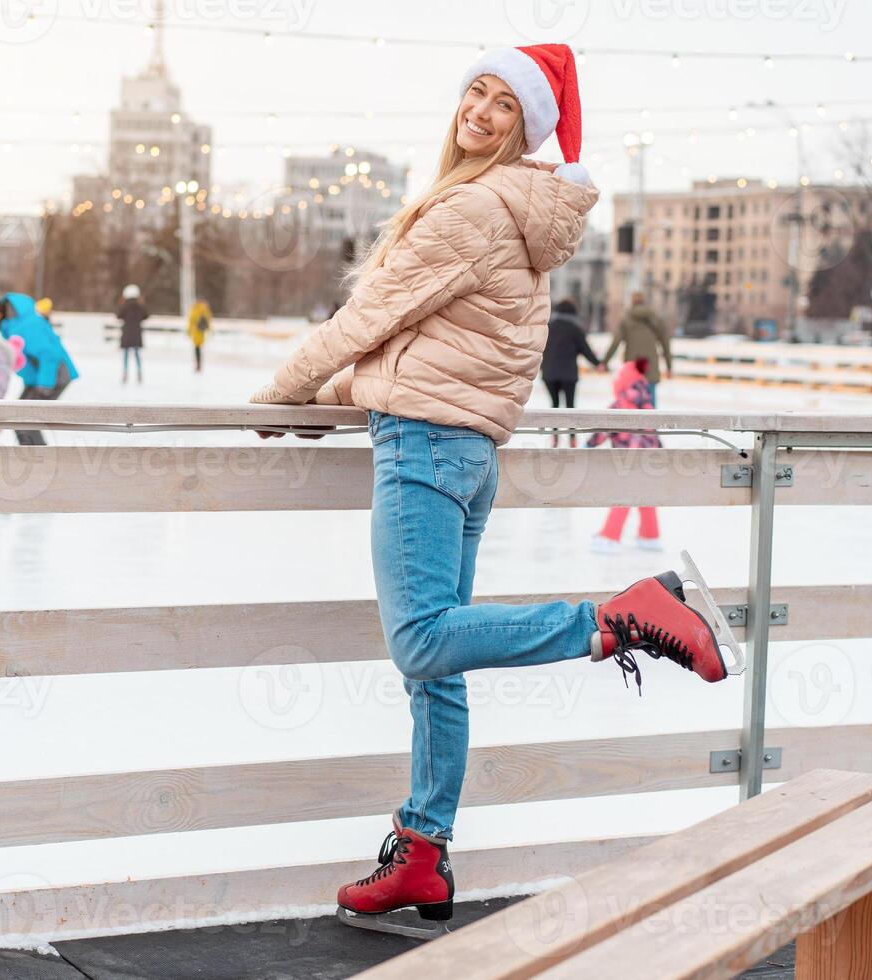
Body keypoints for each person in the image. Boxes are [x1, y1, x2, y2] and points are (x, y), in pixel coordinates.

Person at [247, 43, 730, 936]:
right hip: (460, 450)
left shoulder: (470, 207)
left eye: (506, 104)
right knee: (440, 669)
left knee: (424, 640)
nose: (481, 109)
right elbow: (430, 346)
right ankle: (421, 860)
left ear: (525, 131)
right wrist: (342, 392)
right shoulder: (514, 214)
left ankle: (621, 613)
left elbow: (371, 318)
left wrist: (282, 391)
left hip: (427, 448)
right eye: (476, 91)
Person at [0, 292, 79, 446]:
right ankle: (33, 459)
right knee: (19, 420)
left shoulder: (24, 324)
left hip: (53, 377)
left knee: (26, 423)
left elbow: (49, 355)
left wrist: (44, 385)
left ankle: (40, 462)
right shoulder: (10, 322)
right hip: (37, 379)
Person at [587, 357, 662, 553]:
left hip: (626, 460)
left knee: (623, 496)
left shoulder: (618, 405)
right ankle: (650, 535)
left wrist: (589, 445)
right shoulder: (648, 405)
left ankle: (609, 536)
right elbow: (654, 433)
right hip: (649, 459)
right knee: (647, 497)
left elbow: (602, 431)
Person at [539, 296, 601, 446]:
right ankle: (572, 438)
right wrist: (598, 364)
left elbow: (538, 347)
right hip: (568, 374)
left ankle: (555, 436)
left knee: (554, 405)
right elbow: (585, 350)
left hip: (549, 373)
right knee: (570, 406)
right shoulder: (575, 329)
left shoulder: (548, 327)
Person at [603, 292, 672, 407]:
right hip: (650, 366)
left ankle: (631, 424)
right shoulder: (655, 320)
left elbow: (615, 342)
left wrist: (605, 362)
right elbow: (665, 343)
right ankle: (651, 424)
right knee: (650, 403)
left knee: (630, 402)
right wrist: (669, 367)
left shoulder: (625, 320)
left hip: (632, 368)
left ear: (632, 302)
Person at [117, 284, 147, 383]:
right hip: (137, 334)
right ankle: (139, 373)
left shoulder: (125, 307)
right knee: (137, 354)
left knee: (126, 355)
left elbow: (118, 315)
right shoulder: (139, 307)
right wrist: (142, 304)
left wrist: (121, 304)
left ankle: (125, 373)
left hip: (126, 334)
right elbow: (146, 316)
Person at [187, 298, 211, 372]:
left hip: (196, 331)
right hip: (202, 331)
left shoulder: (194, 309)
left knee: (197, 348)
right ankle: (199, 363)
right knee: (199, 347)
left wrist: (189, 330)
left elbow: (191, 320)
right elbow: (208, 319)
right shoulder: (205, 309)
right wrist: (209, 329)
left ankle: (198, 363)